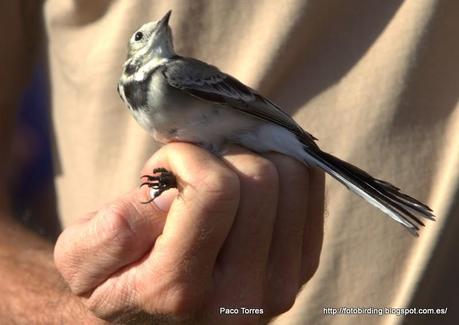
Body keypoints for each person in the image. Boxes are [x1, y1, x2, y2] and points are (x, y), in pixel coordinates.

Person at [1, 1, 457, 324]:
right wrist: (77, 314)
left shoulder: (176, 74)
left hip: (264, 134)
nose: (156, 32)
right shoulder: (133, 90)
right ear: (132, 51)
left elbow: (252, 106)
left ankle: (387, 198)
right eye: (141, 35)